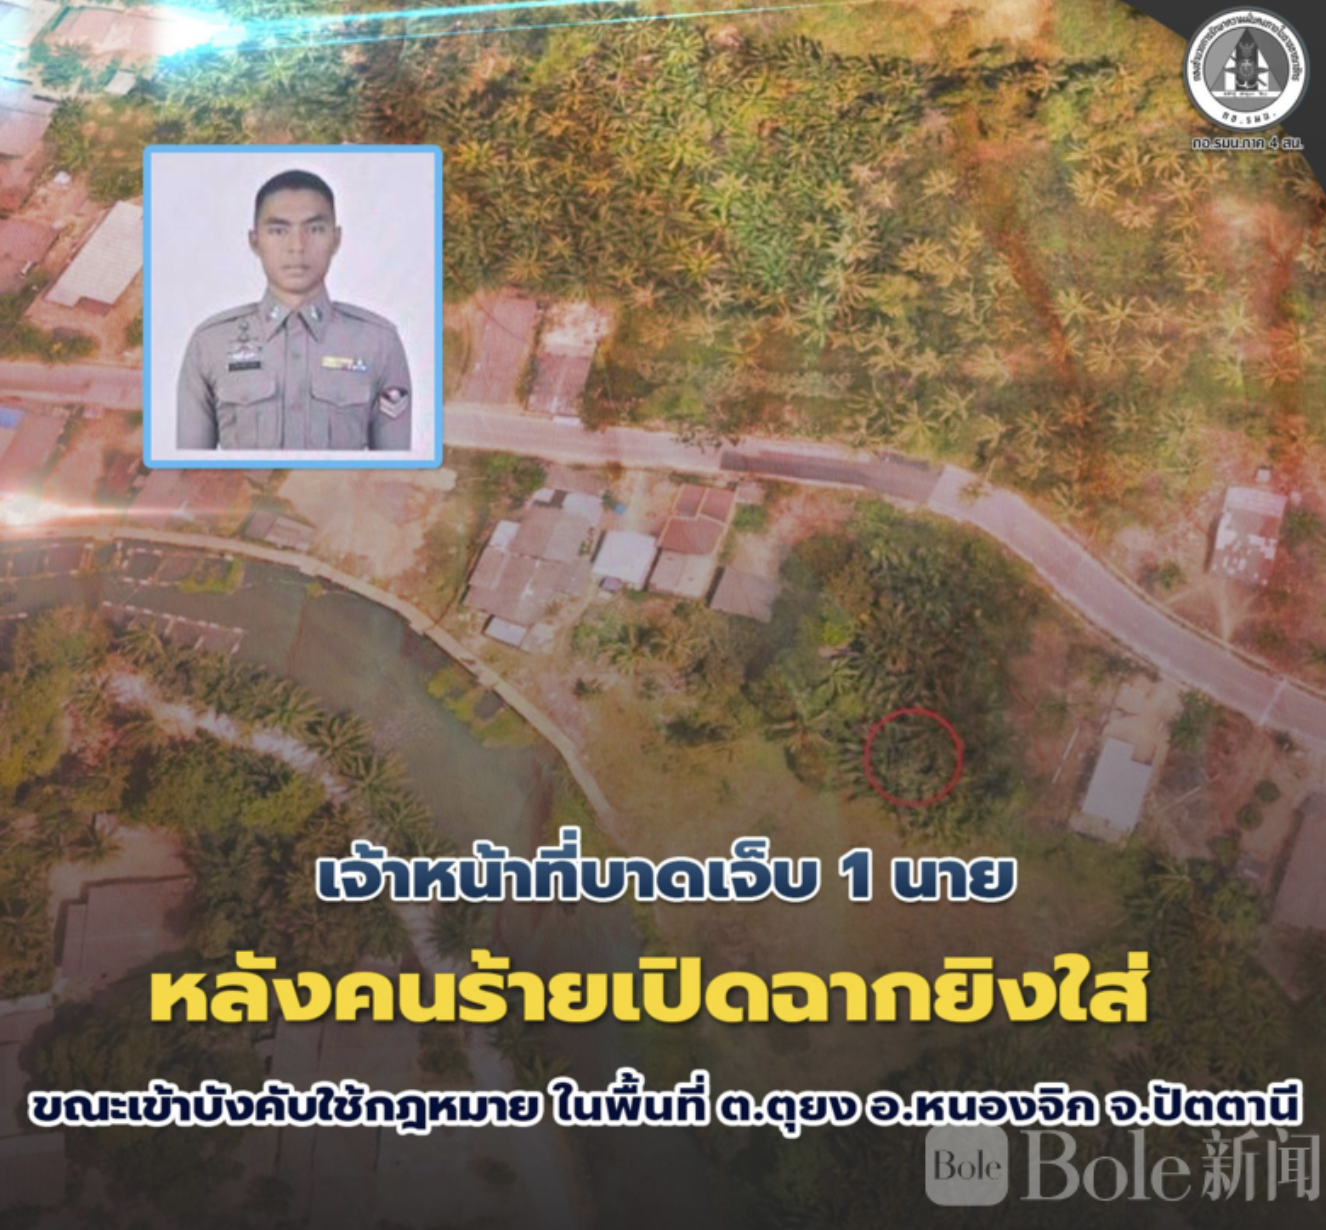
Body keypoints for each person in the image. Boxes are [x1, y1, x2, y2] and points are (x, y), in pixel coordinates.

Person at [175, 169, 412, 451]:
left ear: (336, 239)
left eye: (315, 229)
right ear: (255, 240)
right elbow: (190, 469)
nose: (297, 246)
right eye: (278, 230)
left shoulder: (378, 343)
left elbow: (395, 470)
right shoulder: (210, 343)